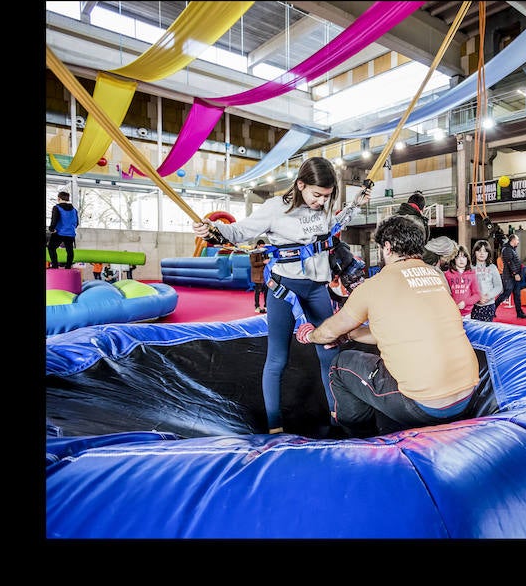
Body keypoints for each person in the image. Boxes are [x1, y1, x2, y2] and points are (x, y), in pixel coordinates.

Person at [192, 156, 370, 434]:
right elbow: (238, 231)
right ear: (300, 185)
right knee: (278, 358)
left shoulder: (325, 206)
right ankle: (275, 425)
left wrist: (356, 204)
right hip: (285, 291)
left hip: (316, 289)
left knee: (329, 354)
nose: (321, 201)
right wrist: (213, 230)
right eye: (316, 195)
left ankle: (337, 418)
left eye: (327, 196)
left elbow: (334, 225)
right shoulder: (275, 208)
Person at [294, 214, 480, 437]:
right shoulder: (436, 277)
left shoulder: (374, 286)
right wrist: (351, 335)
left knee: (341, 365)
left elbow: (329, 332)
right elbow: (397, 329)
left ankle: (359, 438)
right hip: (467, 395)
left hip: (425, 406)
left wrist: (310, 335)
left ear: (388, 247)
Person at [494, 233, 526, 319]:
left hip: (514, 277)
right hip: (509, 277)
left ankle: (519, 313)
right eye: (517, 240)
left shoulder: (512, 249)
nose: (518, 242)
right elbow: (510, 262)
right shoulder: (506, 249)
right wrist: (515, 273)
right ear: (512, 240)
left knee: (517, 295)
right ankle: (492, 309)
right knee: (506, 294)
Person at [444, 245, 480, 320]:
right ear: (454, 259)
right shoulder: (447, 274)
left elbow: (477, 295)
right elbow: (445, 294)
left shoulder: (472, 274)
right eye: (458, 257)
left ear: (467, 258)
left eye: (464, 257)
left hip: (467, 314)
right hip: (452, 313)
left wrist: (465, 302)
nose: (461, 260)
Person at [470, 239, 502, 322]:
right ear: (474, 252)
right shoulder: (470, 268)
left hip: (489, 305)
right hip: (473, 305)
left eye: (485, 251)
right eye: (479, 250)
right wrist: (477, 297)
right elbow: (467, 286)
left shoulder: (492, 267)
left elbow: (498, 286)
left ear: (488, 253)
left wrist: (487, 296)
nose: (482, 253)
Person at [47, 190, 79, 270]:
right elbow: (77, 223)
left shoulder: (56, 207)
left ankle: (55, 266)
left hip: (59, 232)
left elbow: (54, 219)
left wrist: (51, 228)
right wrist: (70, 228)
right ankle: (68, 267)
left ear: (59, 198)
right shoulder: (74, 210)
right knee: (69, 250)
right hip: (70, 233)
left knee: (51, 248)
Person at [250, 239, 268, 314]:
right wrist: (263, 262)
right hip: (257, 275)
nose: (262, 248)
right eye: (261, 247)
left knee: (266, 291)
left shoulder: (264, 252)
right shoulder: (253, 253)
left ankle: (266, 306)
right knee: (257, 291)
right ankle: (257, 307)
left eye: (263, 247)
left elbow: (267, 260)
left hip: (264, 274)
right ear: (257, 246)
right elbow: (253, 263)